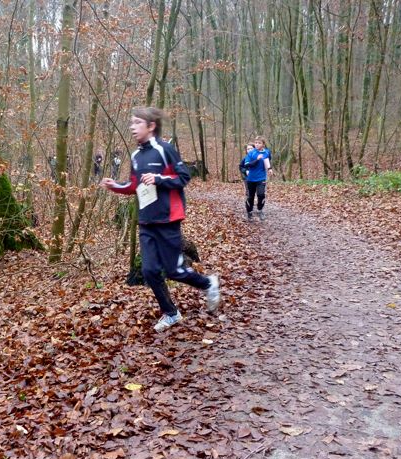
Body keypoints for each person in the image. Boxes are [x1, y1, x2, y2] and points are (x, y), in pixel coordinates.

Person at [100, 107, 220, 332]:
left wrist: (158, 178)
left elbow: (183, 177)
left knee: (174, 271)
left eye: (137, 123)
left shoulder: (165, 149)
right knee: (149, 271)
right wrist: (115, 186)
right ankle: (171, 313)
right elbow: (134, 186)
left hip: (168, 219)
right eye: (132, 123)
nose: (132, 127)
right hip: (146, 221)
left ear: (151, 126)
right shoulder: (136, 156)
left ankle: (208, 283)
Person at [243, 136, 273, 221]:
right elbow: (247, 165)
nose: (257, 144)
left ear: (263, 144)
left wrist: (269, 169)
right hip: (251, 178)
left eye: (259, 143)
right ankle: (249, 213)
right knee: (250, 197)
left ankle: (260, 210)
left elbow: (267, 160)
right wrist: (257, 159)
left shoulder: (267, 152)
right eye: (256, 143)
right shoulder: (251, 153)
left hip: (261, 178)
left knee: (261, 194)